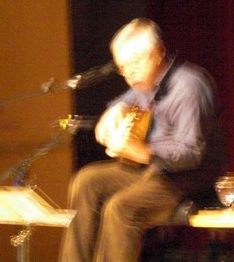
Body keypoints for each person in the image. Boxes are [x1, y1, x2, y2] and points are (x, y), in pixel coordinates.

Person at [59, 18, 225, 262]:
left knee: (121, 207)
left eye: (135, 64)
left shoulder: (190, 86)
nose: (129, 74)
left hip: (188, 176)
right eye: (122, 67)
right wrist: (114, 109)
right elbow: (131, 96)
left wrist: (142, 151)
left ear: (158, 53)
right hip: (153, 171)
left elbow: (190, 154)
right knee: (86, 181)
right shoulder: (147, 83)